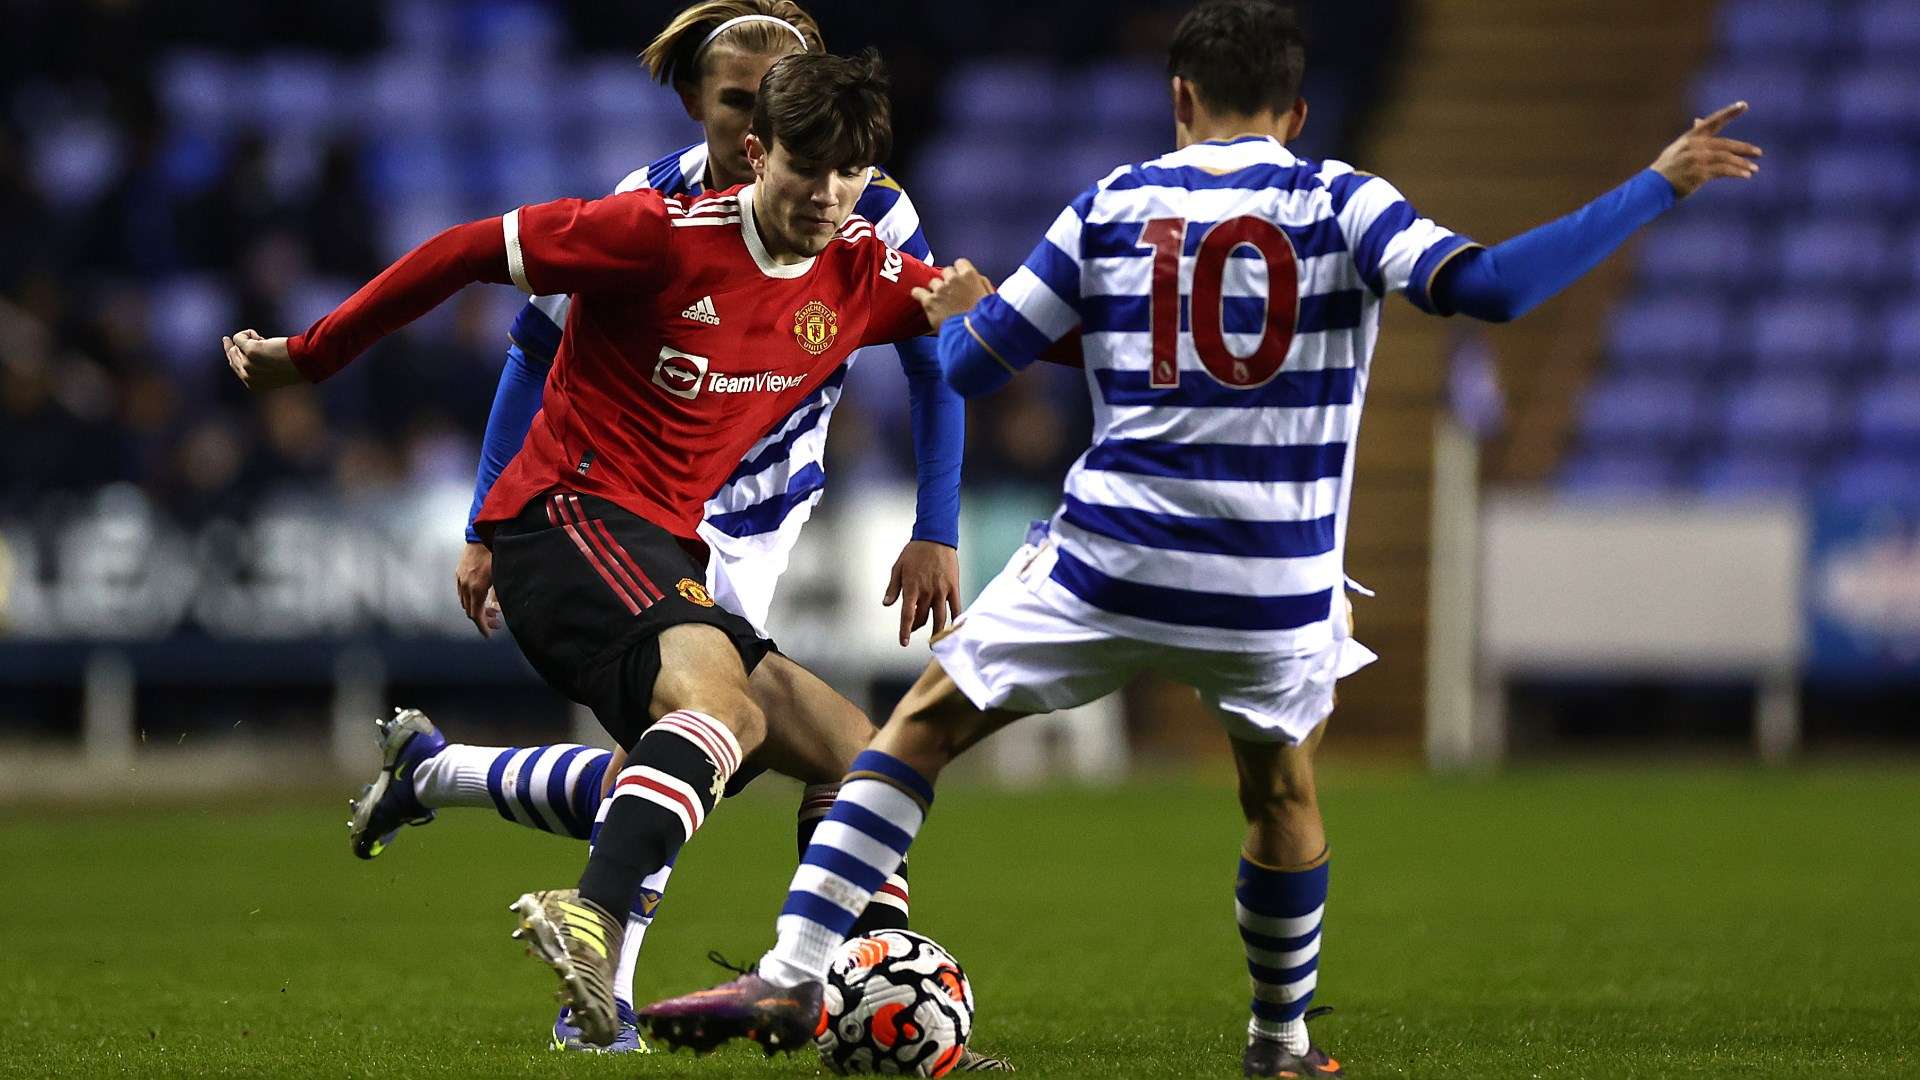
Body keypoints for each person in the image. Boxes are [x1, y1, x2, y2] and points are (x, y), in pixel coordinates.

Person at [634, 1, 1763, 1076]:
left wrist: (971, 311)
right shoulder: (1342, 201)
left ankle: (789, 974)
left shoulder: (1113, 202)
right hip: (1273, 578)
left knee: (915, 733)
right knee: (1280, 795)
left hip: (1110, 556)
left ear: (1179, 97)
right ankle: (1279, 1040)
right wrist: (1656, 185)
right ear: (1297, 110)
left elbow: (978, 366)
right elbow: (1495, 289)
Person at [223, 50, 976, 1052]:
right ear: (756, 155)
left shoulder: (859, 271)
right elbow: (458, 251)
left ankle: (874, 998)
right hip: (561, 520)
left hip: (656, 547)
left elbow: (974, 320)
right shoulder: (654, 235)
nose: (825, 198)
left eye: (849, 177)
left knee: (859, 756)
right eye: (806, 171)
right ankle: (595, 917)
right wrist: (309, 355)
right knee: (720, 709)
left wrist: (1002, 310)